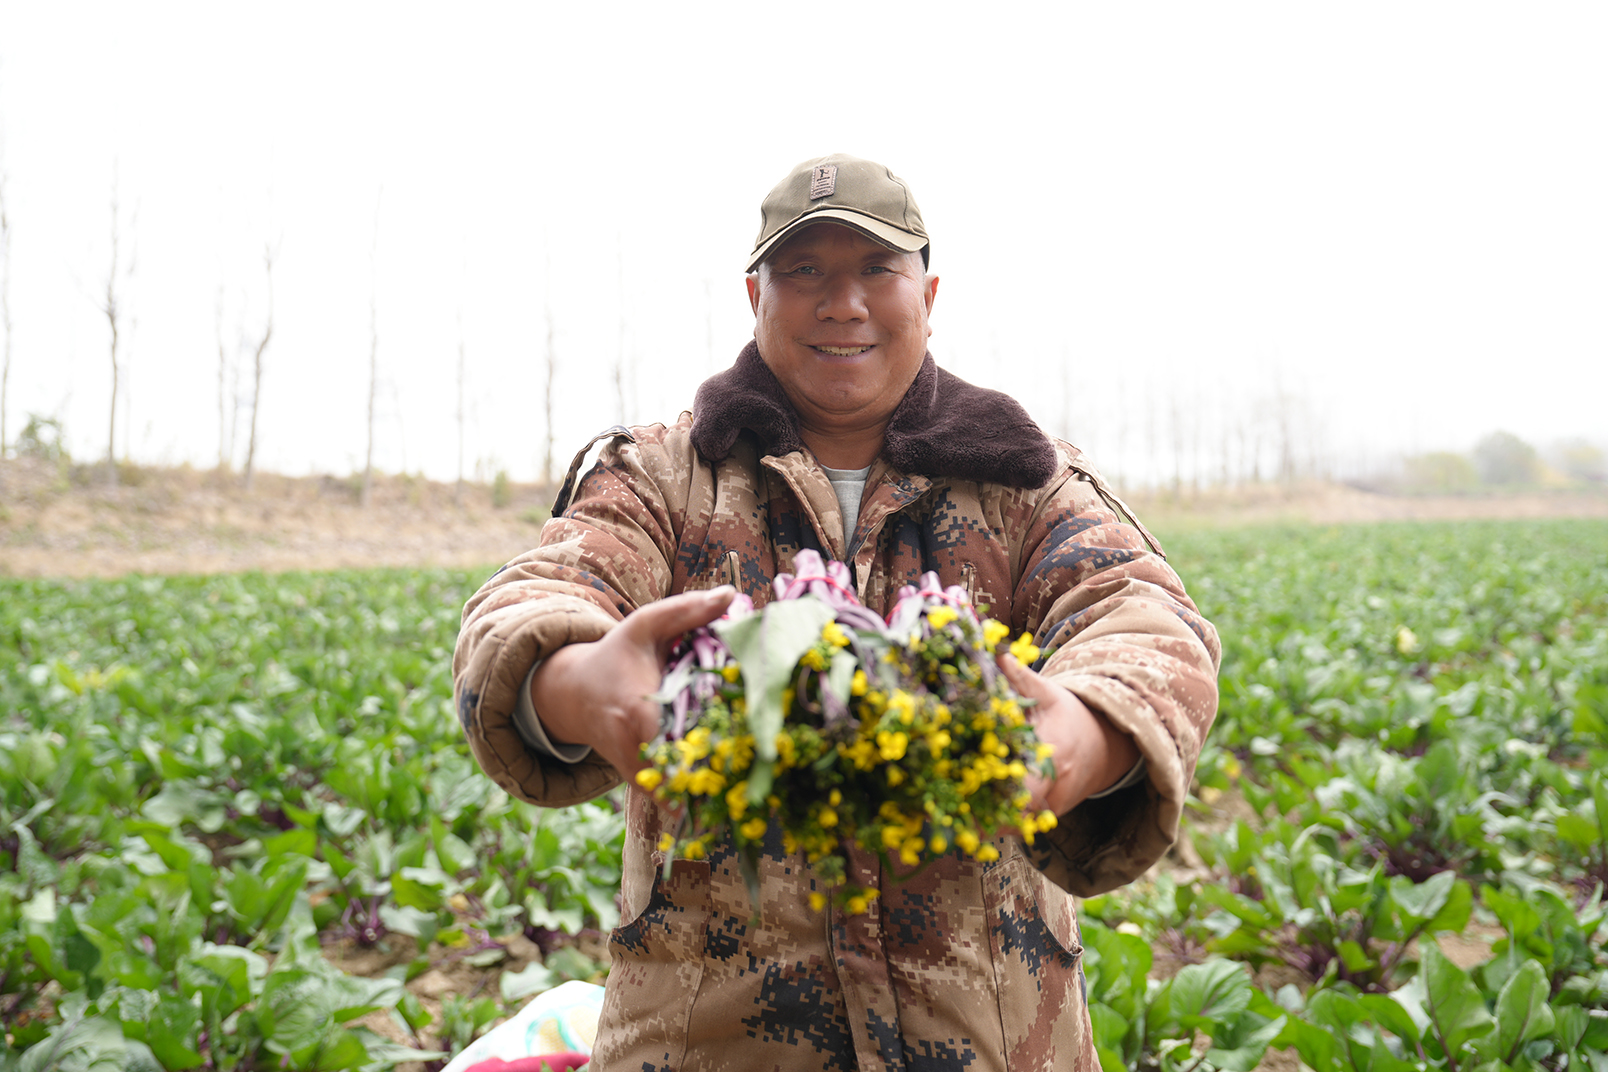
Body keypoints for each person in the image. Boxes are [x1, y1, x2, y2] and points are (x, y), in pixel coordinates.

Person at [453, 153, 1221, 1072]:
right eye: (805, 270)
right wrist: (580, 681)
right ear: (756, 297)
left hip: (992, 1039)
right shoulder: (665, 478)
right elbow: (536, 596)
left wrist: (1081, 736)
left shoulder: (1023, 481)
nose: (842, 304)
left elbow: (1142, 616)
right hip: (710, 1042)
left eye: (876, 269)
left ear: (928, 294)